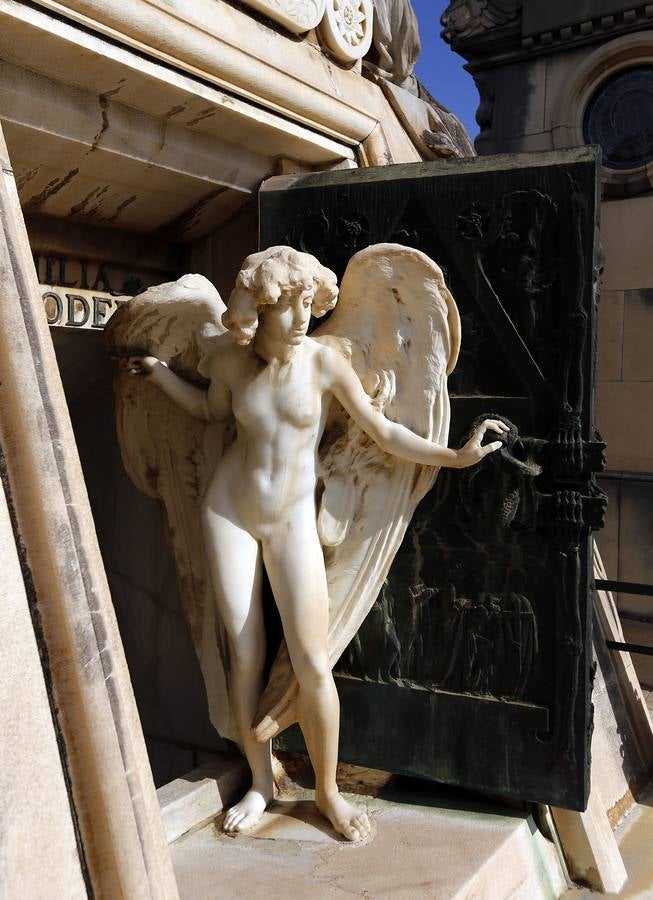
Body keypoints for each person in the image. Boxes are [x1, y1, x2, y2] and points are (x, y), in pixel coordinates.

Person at [127, 246, 508, 841]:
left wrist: (454, 457)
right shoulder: (229, 361)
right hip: (228, 510)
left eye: (309, 302)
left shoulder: (325, 363)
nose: (302, 316)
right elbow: (208, 412)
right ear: (258, 309)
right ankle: (259, 781)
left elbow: (382, 431)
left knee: (312, 662)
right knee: (244, 650)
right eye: (288, 305)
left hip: (290, 520)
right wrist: (160, 374)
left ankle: (328, 794)